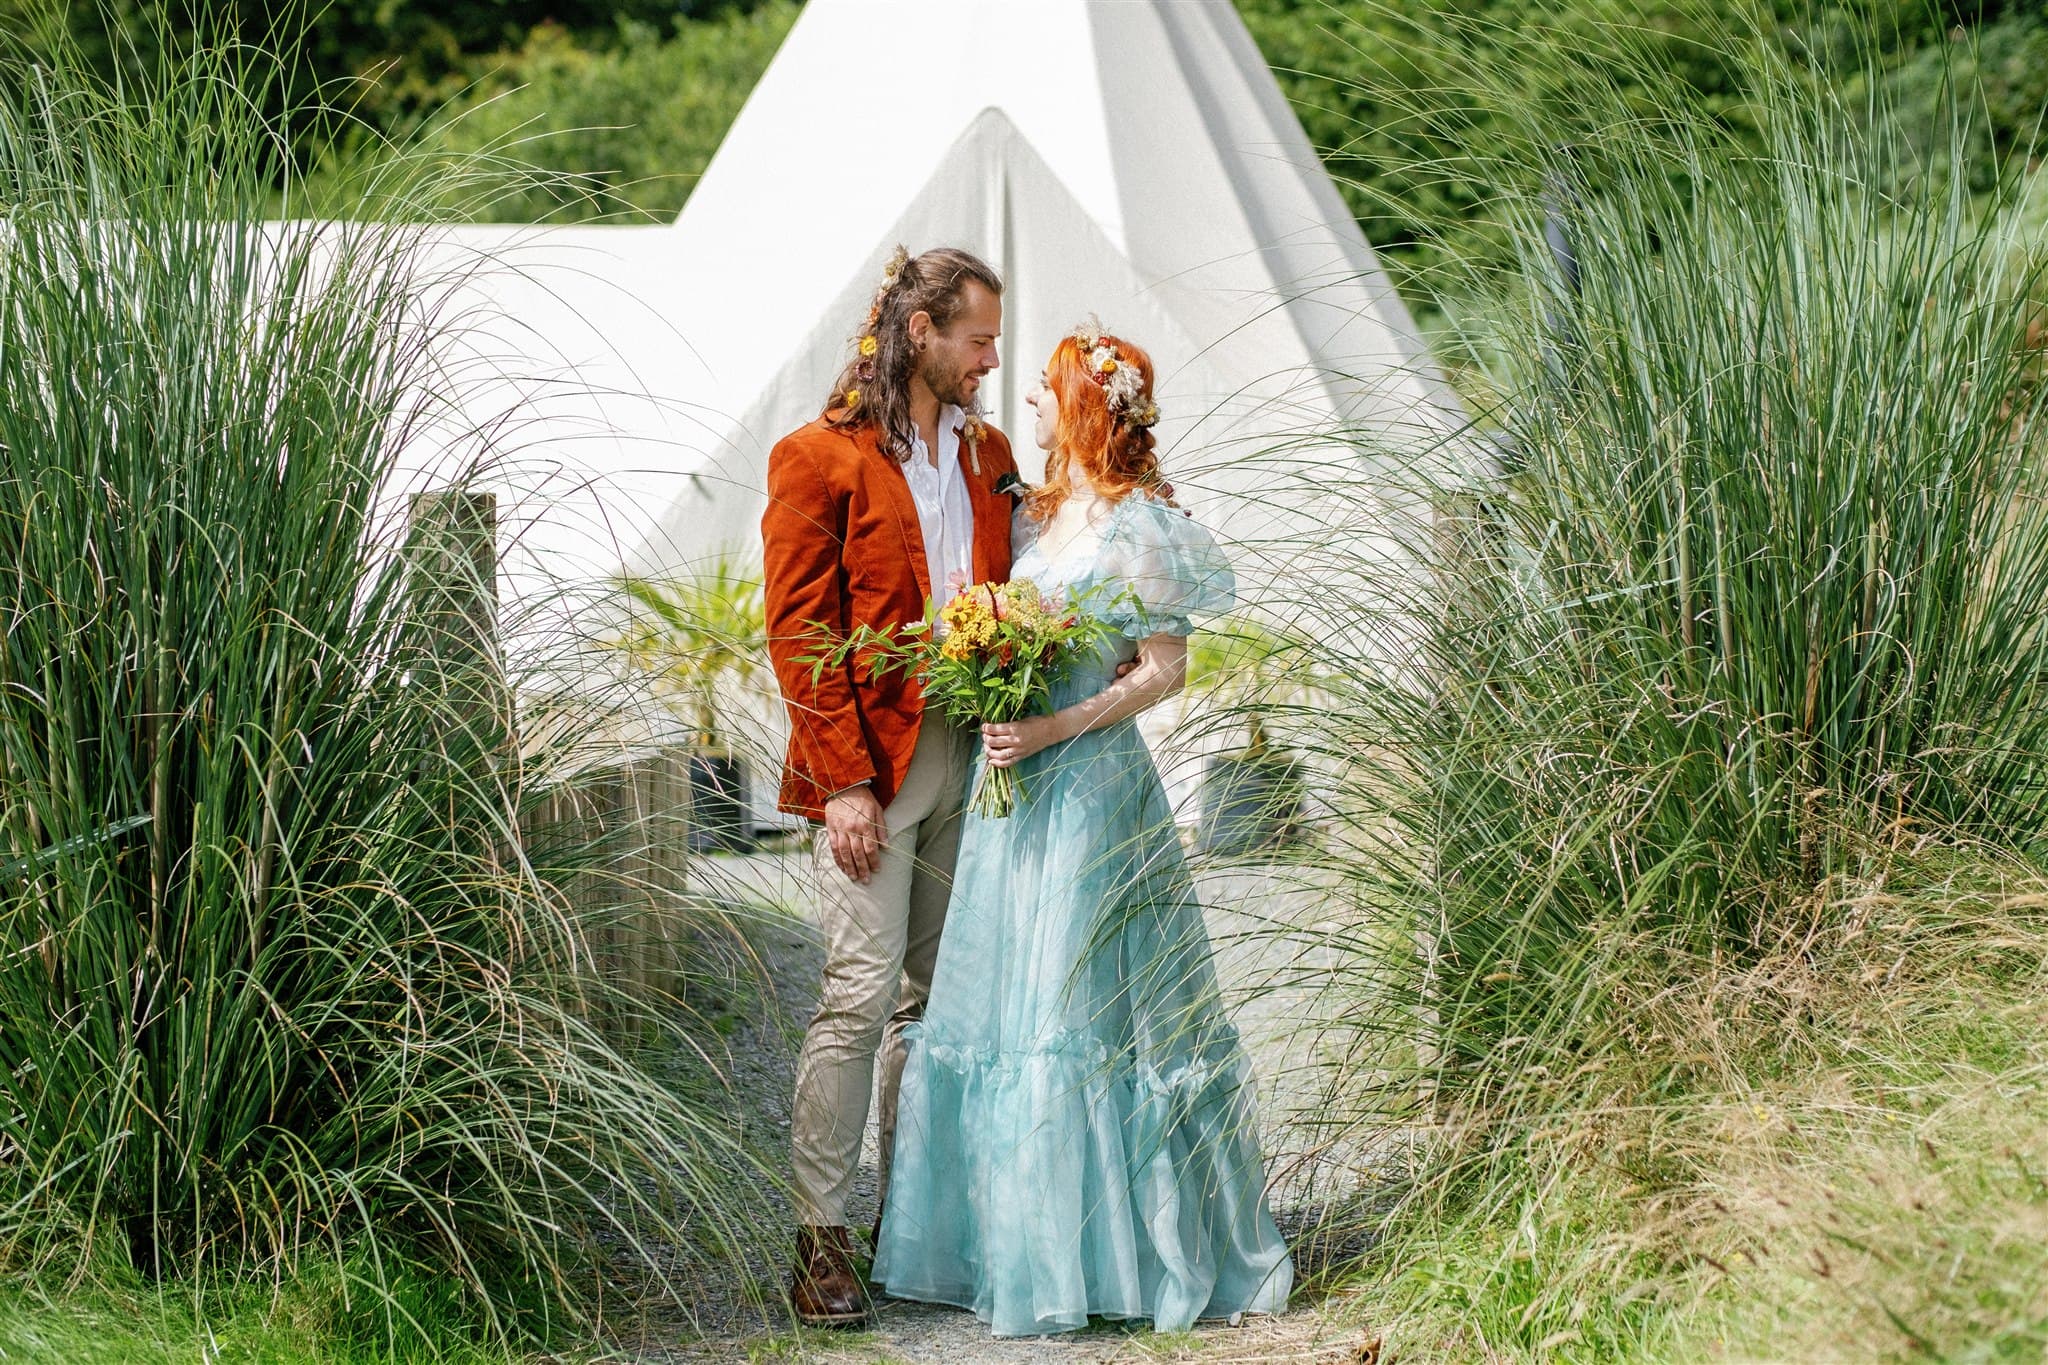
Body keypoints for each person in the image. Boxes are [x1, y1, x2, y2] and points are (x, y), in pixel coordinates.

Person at [873, 322, 1295, 1336]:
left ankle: (1108, 1253)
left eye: (1045, 392)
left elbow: (1163, 669)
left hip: (1092, 785)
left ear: (1087, 406)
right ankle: (1012, 1244)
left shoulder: (1142, 525)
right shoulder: (1034, 520)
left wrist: (1055, 721)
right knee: (1002, 1007)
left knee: (1083, 1006)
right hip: (1008, 792)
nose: (1028, 406)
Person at [760, 244, 1018, 1327]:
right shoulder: (816, 458)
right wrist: (846, 784)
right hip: (874, 763)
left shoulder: (991, 454)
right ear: (921, 332)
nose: (991, 360)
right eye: (977, 339)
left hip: (983, 758)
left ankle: (904, 1225)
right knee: (857, 999)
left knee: (938, 1008)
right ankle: (818, 1240)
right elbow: (800, 632)